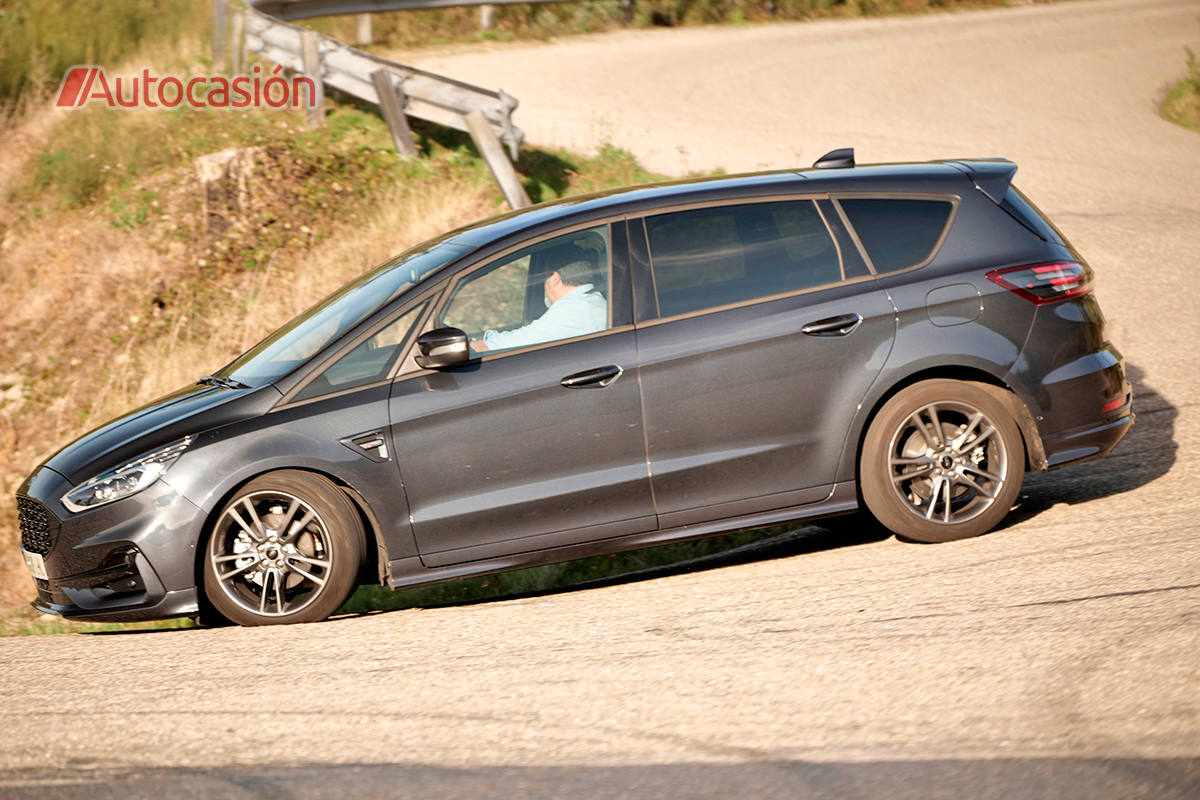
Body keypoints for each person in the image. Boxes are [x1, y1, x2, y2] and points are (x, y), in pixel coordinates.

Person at [473, 260, 606, 352]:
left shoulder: (572, 310)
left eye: (543, 280)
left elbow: (510, 343)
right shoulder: (593, 300)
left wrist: (471, 345)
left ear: (554, 279)